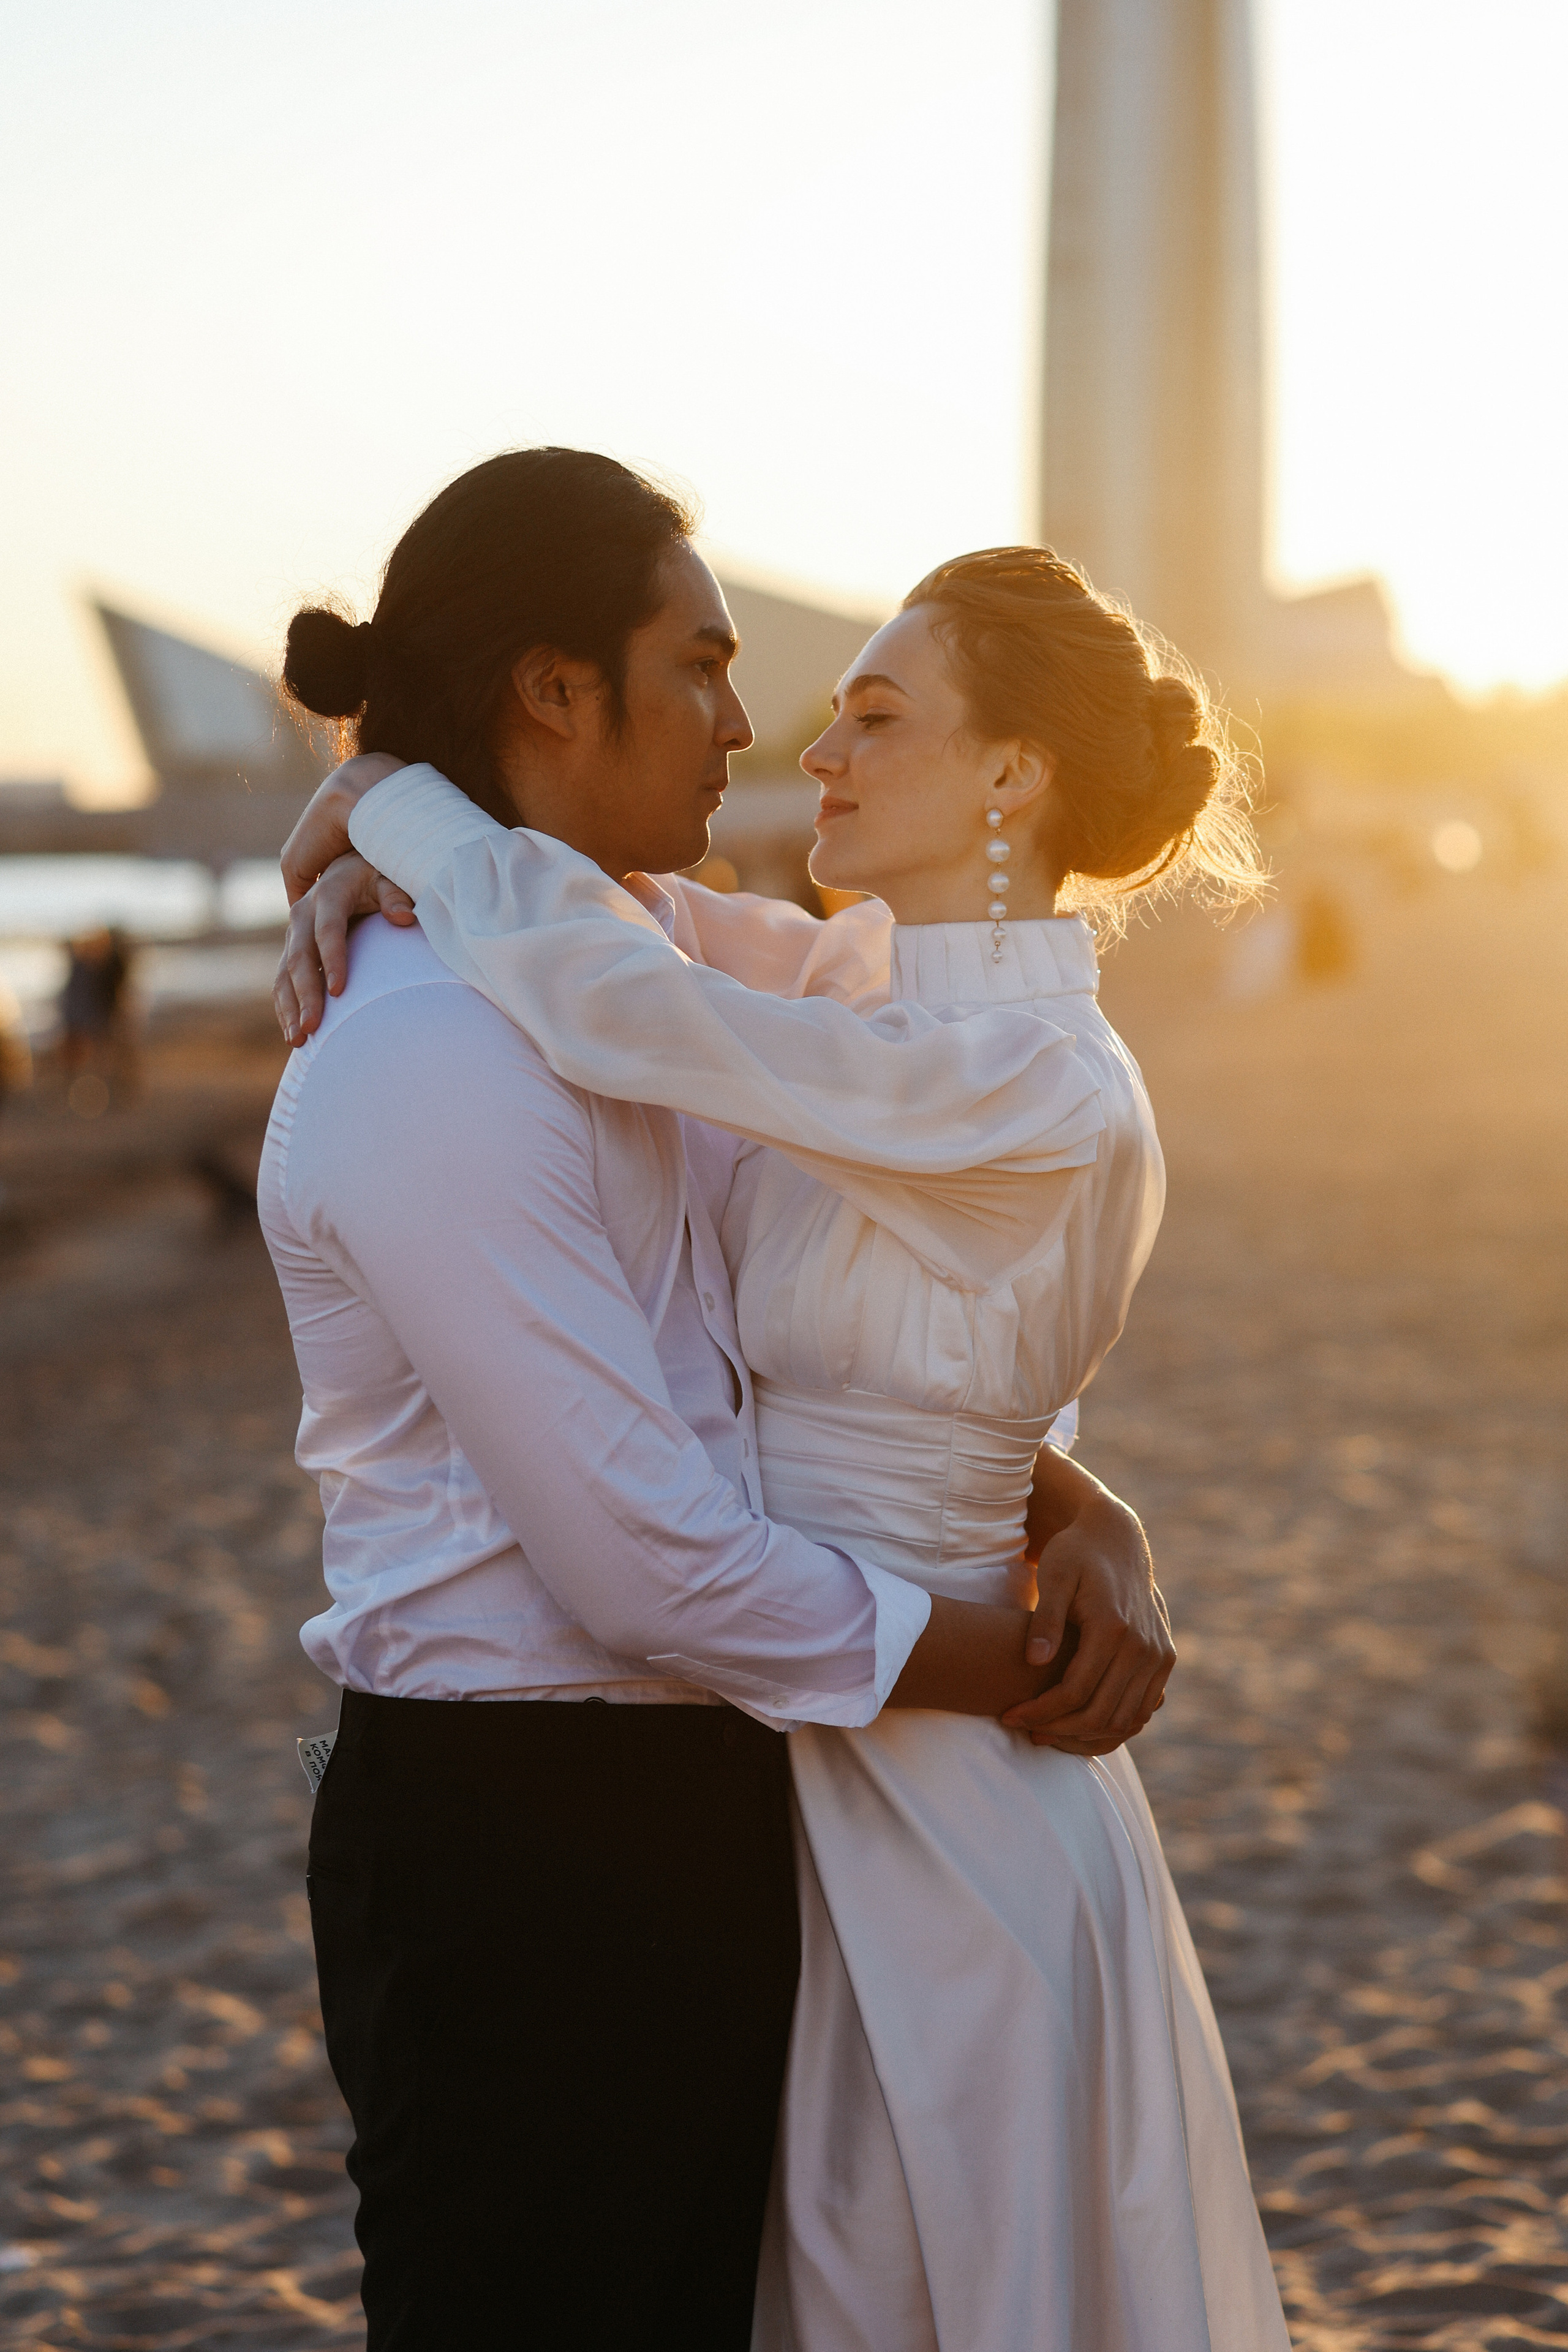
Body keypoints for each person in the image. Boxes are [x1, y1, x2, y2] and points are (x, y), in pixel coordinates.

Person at [277, 499, 1291, 2346]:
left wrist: (393, 808)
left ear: (1014, 776)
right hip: (758, 1765)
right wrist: (397, 849)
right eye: (732, 678)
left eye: (876, 717)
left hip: (915, 1768)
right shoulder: (866, 1011)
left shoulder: (1020, 1077)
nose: (800, 743)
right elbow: (648, 945)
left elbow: (621, 1000)